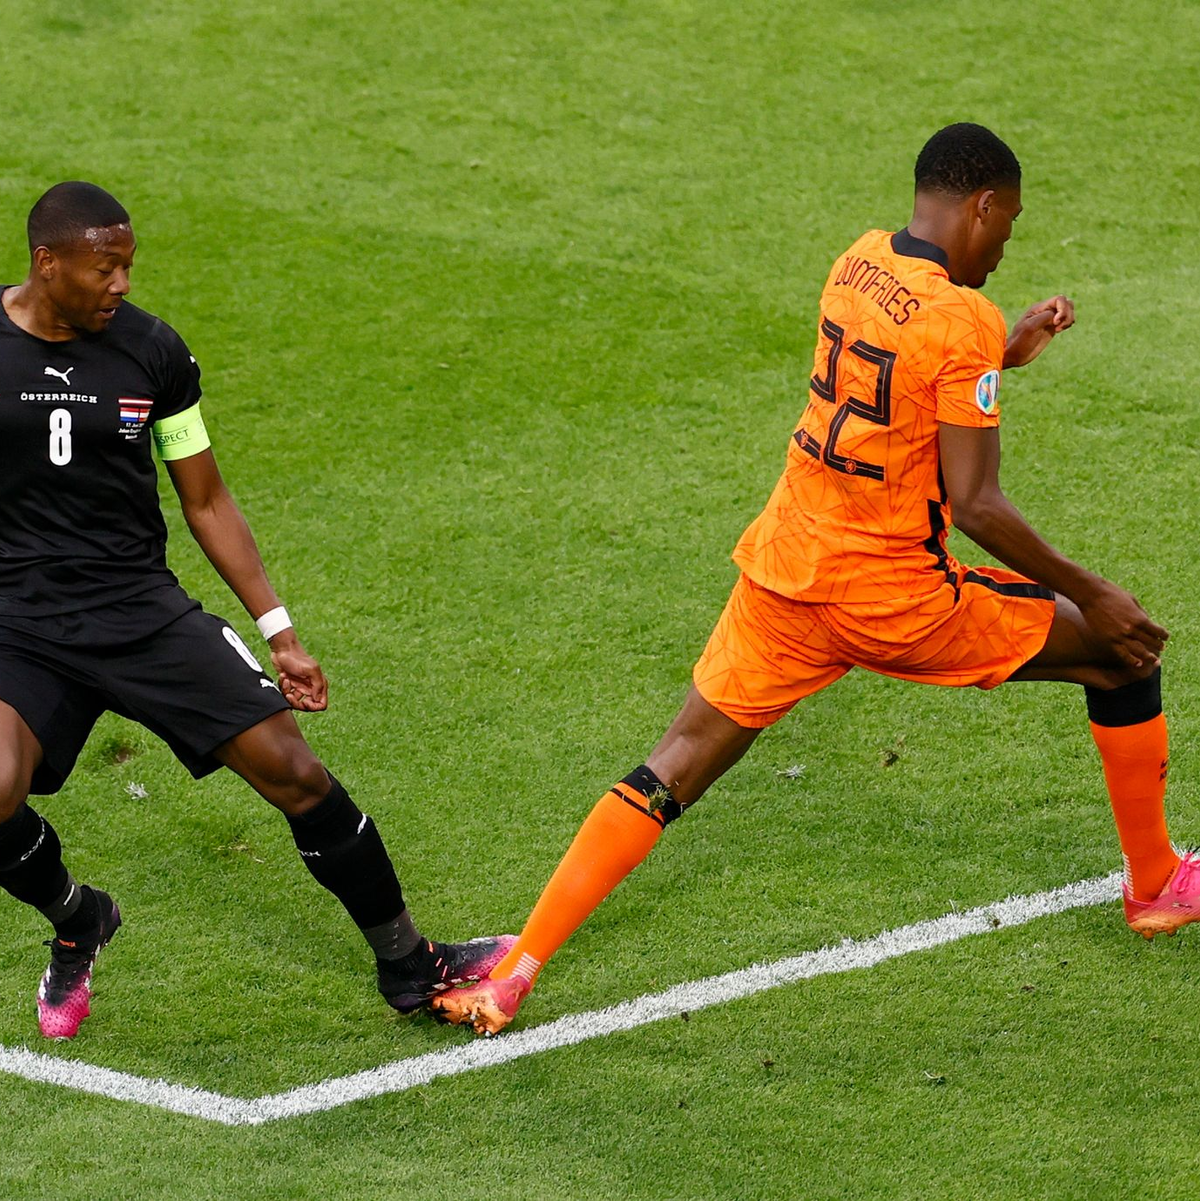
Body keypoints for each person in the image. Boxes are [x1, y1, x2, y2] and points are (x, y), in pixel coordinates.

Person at [433, 123, 1188, 1037]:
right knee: (1117, 652)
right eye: (1009, 226)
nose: (1006, 246)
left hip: (786, 572)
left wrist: (1004, 353)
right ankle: (1154, 886)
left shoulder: (857, 263)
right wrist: (1099, 591)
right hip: (893, 597)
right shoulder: (962, 317)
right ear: (982, 204)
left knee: (674, 764)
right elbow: (978, 504)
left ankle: (514, 971)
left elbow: (898, 395)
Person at [0, 182, 511, 1040]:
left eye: (128, 265)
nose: (122, 283)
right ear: (45, 263)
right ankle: (78, 915)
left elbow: (205, 500)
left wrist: (281, 631)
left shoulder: (153, 353)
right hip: (20, 623)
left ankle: (409, 962)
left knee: (295, 771)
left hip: (139, 613)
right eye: (104, 268)